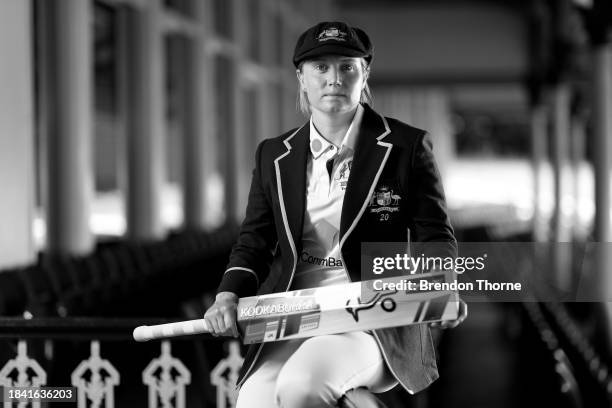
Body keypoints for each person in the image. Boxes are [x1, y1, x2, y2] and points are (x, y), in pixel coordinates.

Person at [204, 21, 467, 408]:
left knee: (302, 385)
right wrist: (228, 296)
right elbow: (255, 242)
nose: (334, 79)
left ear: (365, 73)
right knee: (252, 401)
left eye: (346, 67)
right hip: (294, 318)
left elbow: (435, 234)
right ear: (301, 77)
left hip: (375, 320)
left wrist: (443, 285)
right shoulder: (274, 155)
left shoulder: (405, 147)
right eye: (320, 68)